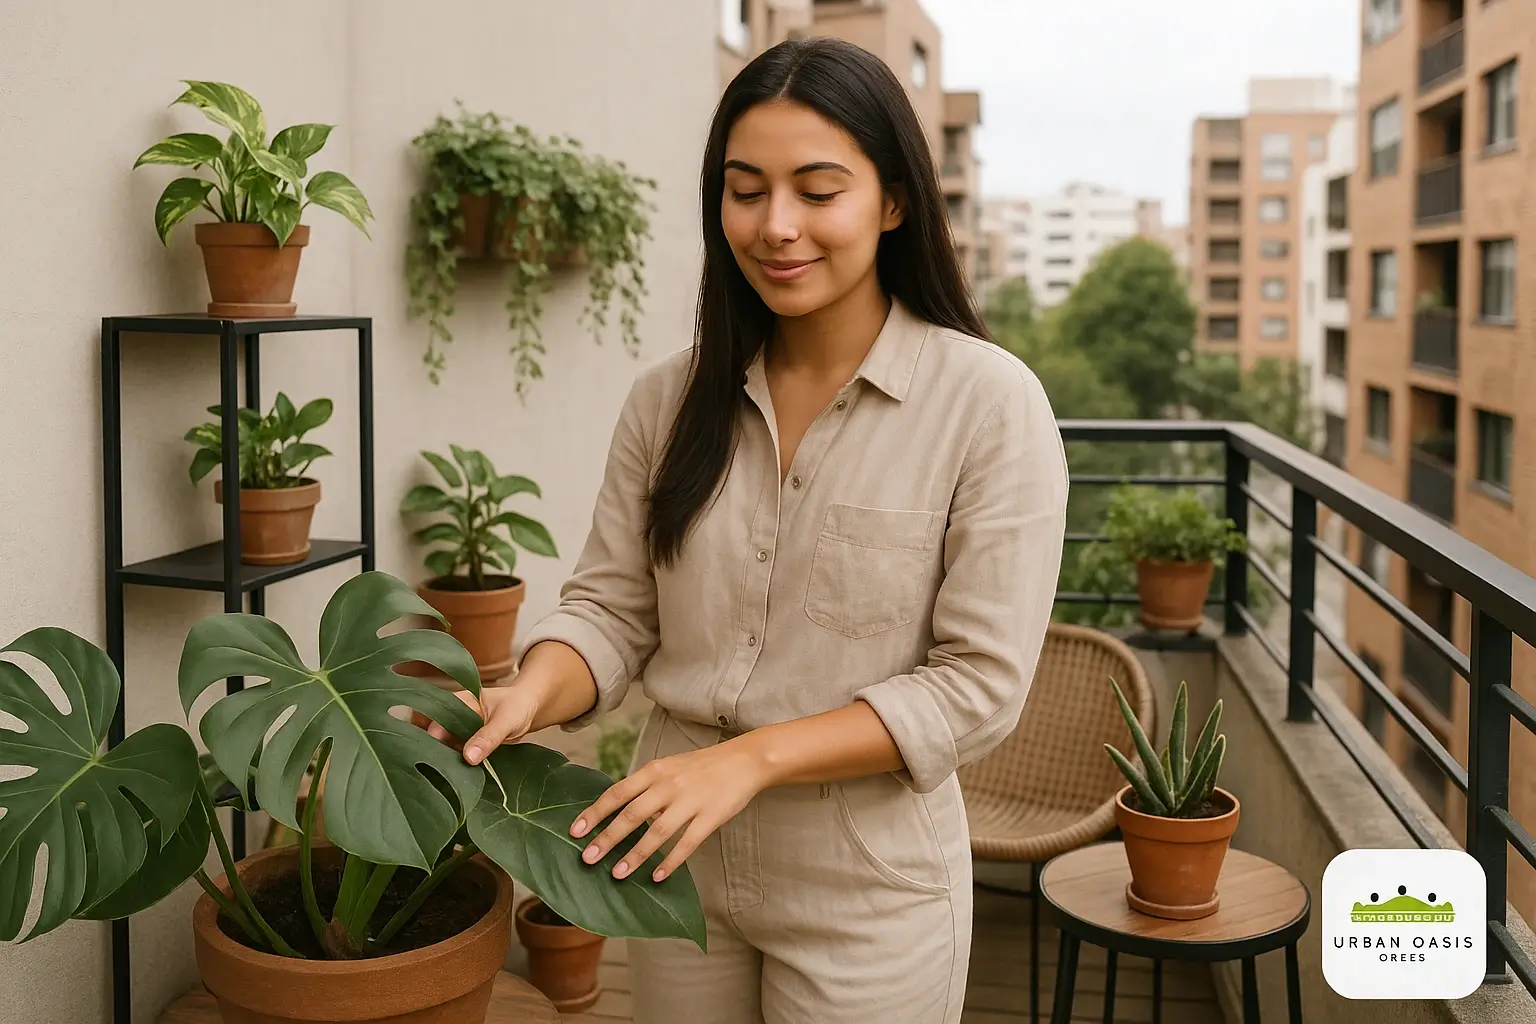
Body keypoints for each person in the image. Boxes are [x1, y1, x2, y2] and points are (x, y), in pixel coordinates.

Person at [429, 35, 1068, 1024]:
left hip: (869, 879)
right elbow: (612, 607)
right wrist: (525, 693)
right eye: (745, 189)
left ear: (893, 201)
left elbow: (977, 688)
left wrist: (750, 758)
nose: (777, 226)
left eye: (819, 191)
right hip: (671, 853)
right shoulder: (668, 399)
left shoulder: (989, 404)